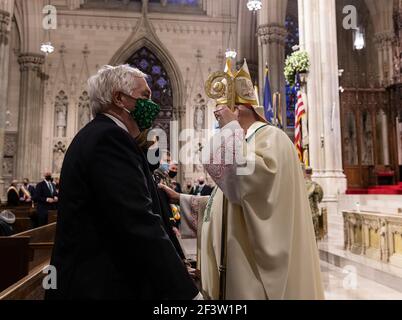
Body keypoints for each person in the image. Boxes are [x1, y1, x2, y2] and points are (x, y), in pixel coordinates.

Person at [161, 59, 324, 300]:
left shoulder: (273, 139)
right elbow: (230, 201)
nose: (217, 115)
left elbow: (250, 191)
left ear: (238, 108)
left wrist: (229, 129)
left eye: (221, 108)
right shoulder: (245, 141)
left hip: (255, 274)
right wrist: (185, 201)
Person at [46, 65, 199, 300]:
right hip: (98, 285)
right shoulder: (109, 138)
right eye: (145, 96)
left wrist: (143, 138)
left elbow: (147, 170)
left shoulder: (106, 134)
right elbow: (136, 219)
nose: (153, 105)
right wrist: (186, 292)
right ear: (120, 99)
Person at [304, 167, 324, 240]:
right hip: (313, 212)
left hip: (303, 212)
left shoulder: (299, 185)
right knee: (313, 234)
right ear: (311, 173)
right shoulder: (315, 185)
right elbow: (320, 197)